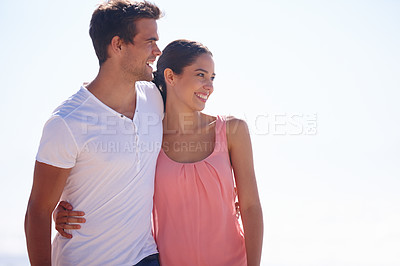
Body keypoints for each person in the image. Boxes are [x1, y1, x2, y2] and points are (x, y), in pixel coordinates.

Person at [56, 40, 264, 266]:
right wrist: (63, 207)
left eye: (212, 78)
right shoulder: (148, 137)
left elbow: (250, 206)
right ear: (171, 77)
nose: (209, 86)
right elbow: (109, 179)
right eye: (201, 75)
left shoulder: (232, 131)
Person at [24, 1, 164, 265]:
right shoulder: (67, 122)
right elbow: (39, 211)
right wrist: (57, 211)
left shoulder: (155, 96)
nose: (157, 51)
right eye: (150, 41)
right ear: (118, 45)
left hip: (145, 256)